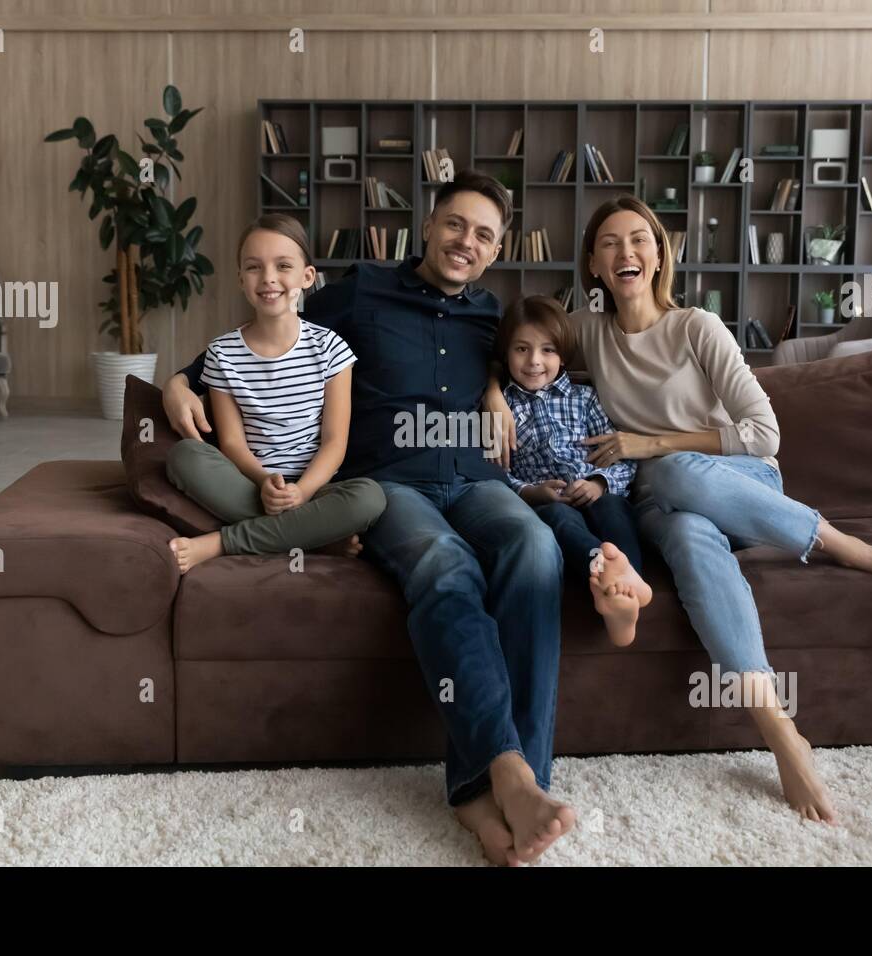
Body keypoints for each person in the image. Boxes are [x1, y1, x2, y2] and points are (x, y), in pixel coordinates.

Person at [489, 195, 872, 826]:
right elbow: (519, 350)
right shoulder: (586, 333)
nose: (625, 252)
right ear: (594, 265)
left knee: (677, 472)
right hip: (660, 504)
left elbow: (763, 434)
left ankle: (853, 548)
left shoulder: (696, 328)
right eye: (608, 243)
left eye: (639, 239)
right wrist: (493, 393)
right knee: (683, 537)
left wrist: (652, 443)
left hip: (735, 485)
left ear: (658, 254)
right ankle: (779, 729)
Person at [162, 172, 574, 865]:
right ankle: (502, 774)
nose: (464, 242)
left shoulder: (490, 314)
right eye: (454, 225)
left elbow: (531, 366)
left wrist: (497, 390)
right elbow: (271, 318)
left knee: (536, 550)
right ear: (428, 225)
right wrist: (180, 376)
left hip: (475, 477)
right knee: (446, 566)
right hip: (391, 480)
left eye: (482, 235)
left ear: (496, 251)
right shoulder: (359, 291)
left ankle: (507, 790)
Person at [165, 214, 386, 571]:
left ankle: (224, 542)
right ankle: (314, 538)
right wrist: (265, 481)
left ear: (307, 277)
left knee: (370, 498)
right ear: (240, 279)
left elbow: (334, 442)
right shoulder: (222, 354)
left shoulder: (331, 349)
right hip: (251, 486)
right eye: (254, 267)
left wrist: (304, 492)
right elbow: (233, 443)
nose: (268, 277)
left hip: (315, 488)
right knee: (184, 457)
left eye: (283, 265)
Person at [496, 294, 652, 647]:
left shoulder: (585, 398)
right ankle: (604, 573)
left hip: (595, 491)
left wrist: (599, 482)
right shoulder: (501, 407)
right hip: (547, 500)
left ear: (563, 355)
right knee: (560, 520)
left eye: (548, 350)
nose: (535, 361)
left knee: (613, 509)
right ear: (505, 353)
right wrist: (528, 491)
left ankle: (629, 585)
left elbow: (621, 457)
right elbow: (493, 469)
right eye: (522, 349)